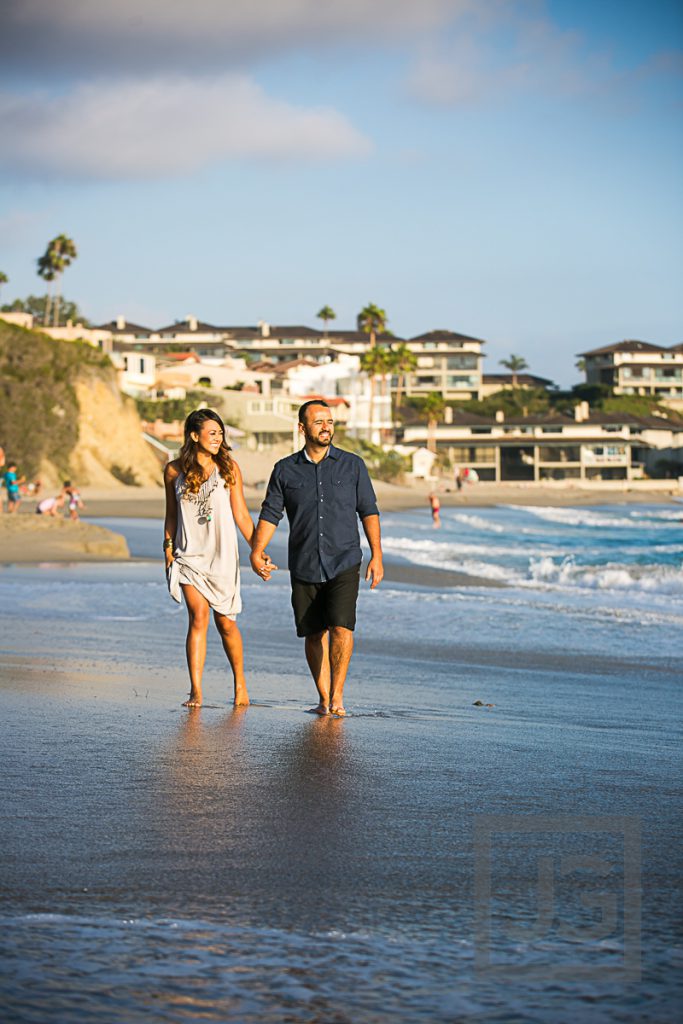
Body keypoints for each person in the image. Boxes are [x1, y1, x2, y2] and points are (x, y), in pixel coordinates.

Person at [250, 400, 383, 717]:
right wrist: (256, 551)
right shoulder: (285, 469)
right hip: (305, 561)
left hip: (345, 558)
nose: (326, 427)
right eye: (319, 422)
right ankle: (323, 697)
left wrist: (377, 554)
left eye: (330, 422)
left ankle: (337, 697)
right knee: (313, 633)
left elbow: (368, 511)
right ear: (302, 428)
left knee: (341, 627)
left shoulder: (352, 466)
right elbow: (271, 513)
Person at [163, 409, 272, 708]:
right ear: (194, 436)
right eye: (212, 433)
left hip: (222, 556)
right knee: (197, 616)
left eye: (220, 433)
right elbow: (171, 516)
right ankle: (195, 690)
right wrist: (168, 550)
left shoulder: (229, 468)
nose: (218, 438)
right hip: (189, 556)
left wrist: (257, 549)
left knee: (225, 624)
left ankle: (240, 684)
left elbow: (241, 514)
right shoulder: (173, 471)